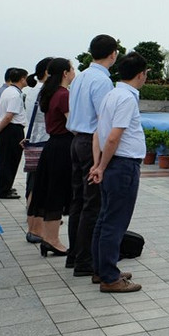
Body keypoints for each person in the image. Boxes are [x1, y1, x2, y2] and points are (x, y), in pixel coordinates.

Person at [88, 52, 149, 293]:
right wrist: (101, 166)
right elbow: (113, 136)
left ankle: (101, 269)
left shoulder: (111, 94)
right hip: (122, 165)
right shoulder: (126, 98)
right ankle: (110, 278)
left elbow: (98, 133)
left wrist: (97, 164)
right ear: (140, 74)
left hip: (112, 163)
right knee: (115, 222)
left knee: (104, 220)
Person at [66, 34, 117, 276]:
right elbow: (103, 120)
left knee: (78, 200)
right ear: (113, 54)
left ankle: (74, 255)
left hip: (76, 140)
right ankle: (85, 261)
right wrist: (101, 161)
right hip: (90, 143)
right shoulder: (103, 81)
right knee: (93, 203)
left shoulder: (80, 77)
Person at [30, 58, 75, 257]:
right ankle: (52, 239)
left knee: (51, 192)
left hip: (53, 145)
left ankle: (50, 239)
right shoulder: (63, 95)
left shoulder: (50, 92)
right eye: (72, 69)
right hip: (63, 146)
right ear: (65, 73)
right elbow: (72, 124)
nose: (74, 72)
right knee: (57, 193)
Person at [23, 57, 53, 241]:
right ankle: (36, 229)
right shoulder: (48, 92)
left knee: (33, 185)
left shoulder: (32, 92)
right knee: (42, 187)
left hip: (34, 141)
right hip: (46, 142)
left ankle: (32, 225)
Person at [0, 67, 28, 199]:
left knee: (5, 160)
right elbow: (8, 116)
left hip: (8, 129)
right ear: (22, 79)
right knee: (10, 161)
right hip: (12, 129)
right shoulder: (14, 94)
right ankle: (3, 190)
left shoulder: (8, 91)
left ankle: (5, 187)